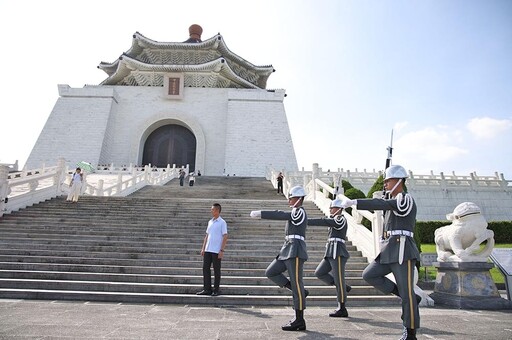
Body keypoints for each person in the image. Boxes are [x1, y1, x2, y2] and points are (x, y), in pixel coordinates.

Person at [341, 165, 420, 340]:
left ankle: (411, 330)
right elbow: (385, 207)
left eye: (388, 180)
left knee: (407, 294)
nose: (385, 184)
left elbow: (386, 205)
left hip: (402, 250)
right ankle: (407, 295)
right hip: (389, 249)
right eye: (384, 181)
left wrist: (355, 202)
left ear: (399, 181)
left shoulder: (405, 199)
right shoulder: (393, 201)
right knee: (369, 274)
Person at [250, 186, 308, 331]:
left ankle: (299, 320)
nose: (289, 200)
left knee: (296, 282)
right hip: (287, 249)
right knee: (271, 272)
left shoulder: (299, 211)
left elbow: (282, 215)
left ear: (299, 199)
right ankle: (298, 290)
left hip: (295, 250)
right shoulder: (296, 211)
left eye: (292, 197)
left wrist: (262, 213)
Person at [308, 198, 351, 318]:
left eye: (332, 208)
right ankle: (342, 286)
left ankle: (342, 308)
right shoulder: (334, 219)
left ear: (339, 209)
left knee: (339, 279)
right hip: (330, 251)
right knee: (320, 272)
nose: (330, 210)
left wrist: (307, 221)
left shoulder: (340, 219)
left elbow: (326, 222)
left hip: (338, 252)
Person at [197, 203, 228, 296]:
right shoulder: (210, 222)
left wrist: (222, 250)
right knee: (205, 269)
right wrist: (203, 248)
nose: (211, 211)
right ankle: (207, 289)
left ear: (218, 210)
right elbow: (207, 235)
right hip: (208, 249)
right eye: (211, 209)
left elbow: (225, 236)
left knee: (216, 270)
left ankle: (216, 289)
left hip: (216, 250)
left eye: (213, 209)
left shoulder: (222, 222)